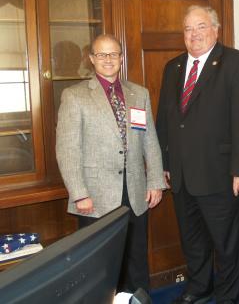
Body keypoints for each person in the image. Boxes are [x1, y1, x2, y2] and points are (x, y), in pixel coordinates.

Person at [156, 5, 239, 304]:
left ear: (216, 29)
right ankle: (199, 286)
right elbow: (165, 119)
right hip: (182, 175)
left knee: (227, 243)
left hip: (222, 175)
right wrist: (165, 162)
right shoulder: (173, 67)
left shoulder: (236, 63)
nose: (194, 34)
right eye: (188, 29)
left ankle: (227, 297)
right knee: (192, 240)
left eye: (201, 26)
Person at [56, 33, 165, 293]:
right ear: (92, 59)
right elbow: (67, 149)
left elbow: (150, 140)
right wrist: (79, 193)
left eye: (113, 54)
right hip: (95, 196)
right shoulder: (75, 96)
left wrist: (156, 181)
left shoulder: (139, 94)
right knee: (100, 266)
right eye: (102, 54)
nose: (108, 59)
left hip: (136, 192)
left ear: (121, 58)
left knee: (136, 259)